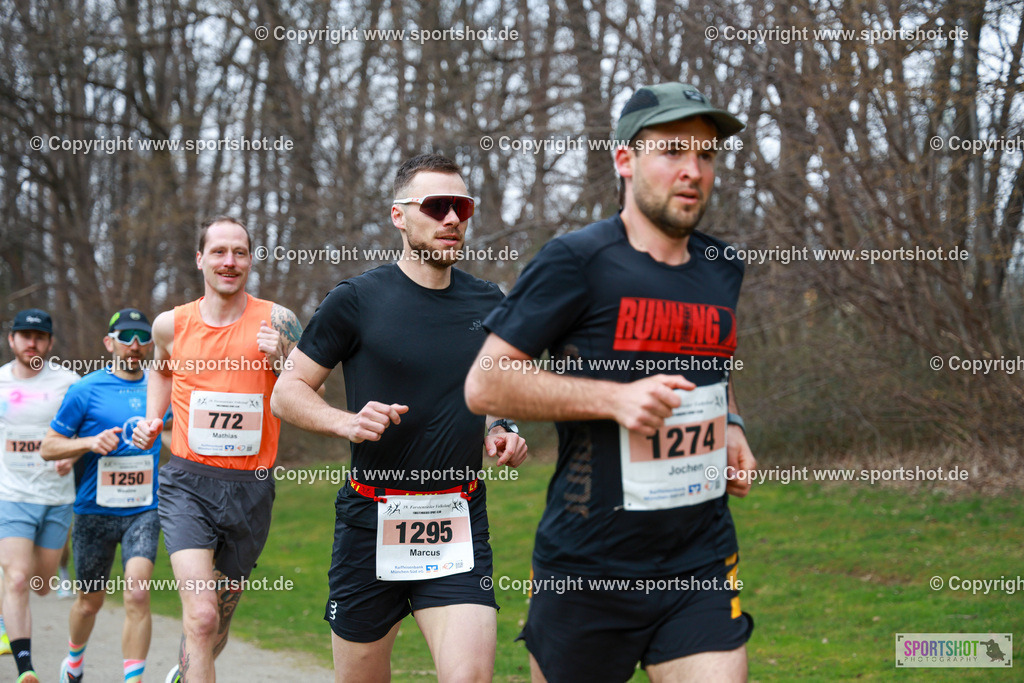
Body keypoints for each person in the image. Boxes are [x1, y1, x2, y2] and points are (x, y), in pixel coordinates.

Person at [464, 83, 758, 682]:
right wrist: (614, 398)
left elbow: (712, 364)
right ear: (624, 159)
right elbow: (486, 383)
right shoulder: (575, 261)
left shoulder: (722, 267)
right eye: (672, 151)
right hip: (589, 564)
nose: (692, 170)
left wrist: (730, 424)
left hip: (698, 557)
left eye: (706, 155)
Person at [271, 153, 528, 682]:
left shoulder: (490, 301)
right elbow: (287, 391)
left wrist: (503, 431)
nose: (452, 219)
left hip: (458, 517)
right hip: (371, 519)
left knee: (470, 677)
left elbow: (494, 394)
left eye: (462, 207)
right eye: (437, 206)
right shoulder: (356, 301)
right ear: (399, 215)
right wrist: (344, 422)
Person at [131, 217, 304, 683]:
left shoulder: (279, 321)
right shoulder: (171, 323)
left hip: (251, 487)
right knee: (202, 617)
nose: (230, 262)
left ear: (250, 259)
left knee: (217, 625)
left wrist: (283, 361)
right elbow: (161, 370)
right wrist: (154, 417)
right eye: (220, 252)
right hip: (187, 482)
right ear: (200, 258)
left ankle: (187, 668)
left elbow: (311, 397)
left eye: (240, 253)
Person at [42, 308, 164, 683]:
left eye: (143, 337)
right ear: (109, 343)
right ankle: (74, 663)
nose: (135, 345)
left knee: (138, 594)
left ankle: (133, 679)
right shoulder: (85, 390)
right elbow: (49, 447)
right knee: (89, 602)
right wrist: (89, 442)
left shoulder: (161, 387)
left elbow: (178, 436)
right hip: (94, 511)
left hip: (144, 508)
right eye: (126, 337)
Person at [0, 309, 80, 683]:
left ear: (49, 343)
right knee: (17, 579)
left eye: (39, 336)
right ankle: (25, 669)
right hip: (11, 494)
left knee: (43, 584)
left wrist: (74, 453)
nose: (32, 342)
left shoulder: (68, 383)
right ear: (12, 339)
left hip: (56, 498)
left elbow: (90, 429)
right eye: (25, 335)